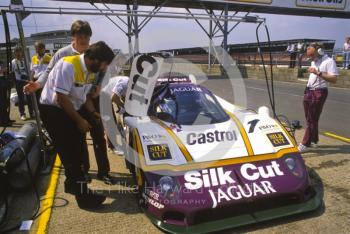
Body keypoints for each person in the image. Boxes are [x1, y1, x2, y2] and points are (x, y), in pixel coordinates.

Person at [24, 20, 114, 185]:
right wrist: (37, 85)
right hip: (69, 98)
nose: (84, 39)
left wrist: (99, 87)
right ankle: (83, 172)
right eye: (80, 35)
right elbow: (49, 73)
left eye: (87, 36)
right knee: (79, 136)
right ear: (73, 36)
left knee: (98, 134)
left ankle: (104, 172)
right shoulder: (64, 55)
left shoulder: (96, 53)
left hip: (89, 96)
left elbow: (102, 72)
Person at [39, 41, 114, 209]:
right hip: (54, 110)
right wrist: (79, 121)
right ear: (94, 58)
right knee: (71, 154)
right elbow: (61, 98)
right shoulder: (68, 65)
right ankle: (84, 198)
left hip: (72, 107)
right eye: (103, 64)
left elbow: (84, 96)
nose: (104, 68)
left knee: (80, 149)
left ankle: (73, 184)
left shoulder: (91, 71)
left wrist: (92, 112)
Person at [298, 43, 338, 153]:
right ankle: (314, 139)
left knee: (312, 119)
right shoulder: (314, 61)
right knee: (310, 118)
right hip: (309, 91)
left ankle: (305, 143)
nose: (311, 58)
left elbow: (334, 79)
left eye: (311, 54)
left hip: (319, 92)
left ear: (319, 50)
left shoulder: (329, 61)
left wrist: (318, 72)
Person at [11, 47, 34, 120]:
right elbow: (12, 73)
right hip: (18, 82)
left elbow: (30, 70)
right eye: (16, 52)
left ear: (21, 53)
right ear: (14, 53)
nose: (18, 54)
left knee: (29, 98)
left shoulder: (25, 61)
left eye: (19, 52)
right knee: (20, 98)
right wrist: (14, 82)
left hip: (26, 81)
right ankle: (22, 114)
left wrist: (30, 79)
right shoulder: (12, 62)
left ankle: (31, 113)